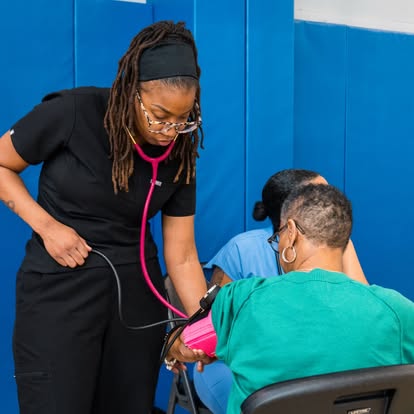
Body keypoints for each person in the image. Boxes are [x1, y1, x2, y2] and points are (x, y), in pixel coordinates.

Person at [0, 20, 210, 414]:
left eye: (183, 119)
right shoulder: (73, 111)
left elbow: (182, 254)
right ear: (132, 92)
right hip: (60, 290)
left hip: (135, 301)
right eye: (160, 115)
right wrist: (47, 227)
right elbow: (1, 164)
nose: (170, 130)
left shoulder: (180, 151)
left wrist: (202, 322)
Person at [211, 184, 414, 414]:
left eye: (278, 236)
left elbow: (190, 344)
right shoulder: (399, 312)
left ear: (291, 232)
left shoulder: (239, 297)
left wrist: (189, 349)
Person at [193, 169, 368, 414]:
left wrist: (343, 243)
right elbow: (212, 326)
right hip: (231, 362)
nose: (330, 199)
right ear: (291, 211)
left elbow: (365, 311)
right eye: (318, 193)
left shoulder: (334, 247)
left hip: (303, 362)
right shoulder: (242, 249)